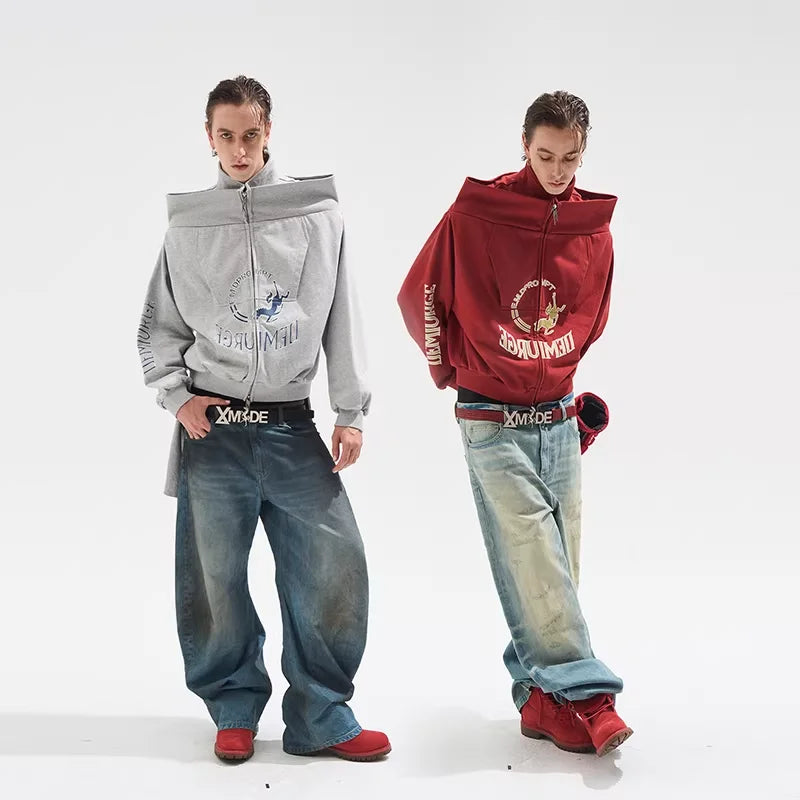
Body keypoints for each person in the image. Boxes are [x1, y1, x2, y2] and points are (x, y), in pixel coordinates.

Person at [137, 75, 390, 763]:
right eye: (227, 136)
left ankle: (322, 716)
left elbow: (342, 315)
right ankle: (233, 708)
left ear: (269, 131)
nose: (240, 149)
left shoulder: (318, 215)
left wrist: (350, 410)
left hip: (291, 425)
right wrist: (177, 396)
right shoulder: (187, 227)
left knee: (332, 566)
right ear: (209, 137)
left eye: (251, 135)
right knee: (213, 581)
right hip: (213, 433)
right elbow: (157, 328)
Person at [397, 91, 632, 757]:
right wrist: (458, 369)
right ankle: (591, 696)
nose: (557, 170)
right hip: (491, 418)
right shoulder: (477, 214)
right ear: (524, 146)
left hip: (557, 416)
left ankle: (538, 700)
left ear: (584, 153)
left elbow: (593, 315)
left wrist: (560, 378)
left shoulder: (592, 229)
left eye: (570, 158)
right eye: (545, 155)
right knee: (534, 555)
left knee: (559, 564)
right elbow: (420, 297)